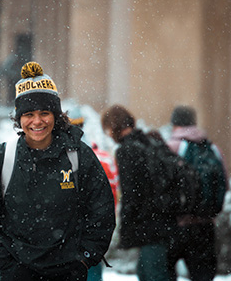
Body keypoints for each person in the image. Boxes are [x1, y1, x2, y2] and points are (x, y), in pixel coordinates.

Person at [0, 61, 116, 281]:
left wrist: (84, 257)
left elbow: (101, 212)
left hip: (69, 274)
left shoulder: (78, 156)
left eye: (44, 112)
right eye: (29, 114)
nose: (37, 121)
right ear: (19, 118)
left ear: (56, 115)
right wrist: (6, 261)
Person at [101, 104, 176, 281]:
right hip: (170, 223)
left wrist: (125, 230)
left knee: (151, 274)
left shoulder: (127, 150)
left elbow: (131, 194)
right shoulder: (151, 141)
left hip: (150, 228)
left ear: (113, 127)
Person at [166, 105, 228, 281]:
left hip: (177, 224)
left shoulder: (172, 146)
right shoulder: (213, 148)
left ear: (174, 123)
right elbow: (224, 182)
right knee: (203, 275)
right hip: (206, 223)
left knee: (166, 271)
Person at [69, 110, 119, 281]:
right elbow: (113, 193)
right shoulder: (104, 158)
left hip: (71, 233)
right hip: (94, 232)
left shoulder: (64, 159)